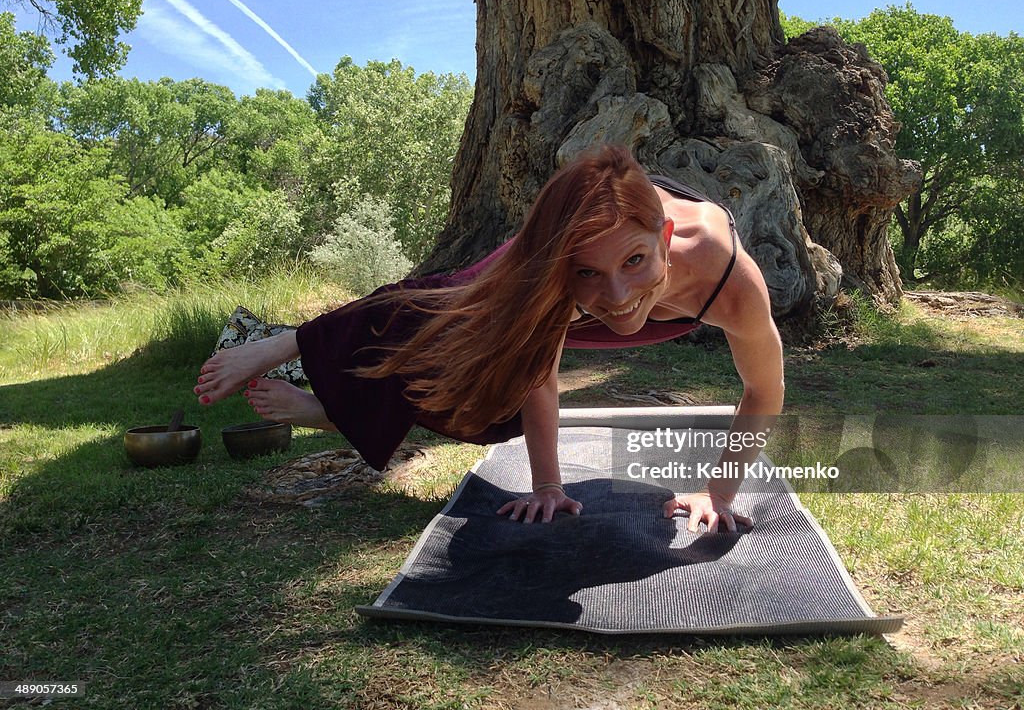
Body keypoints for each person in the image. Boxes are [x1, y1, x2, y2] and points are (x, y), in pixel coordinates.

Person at [195, 145, 784, 531]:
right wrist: (548, 486)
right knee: (447, 312)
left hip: (621, 216)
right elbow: (542, 376)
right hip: (561, 234)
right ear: (564, 269)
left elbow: (763, 391)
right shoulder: (556, 274)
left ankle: (333, 410)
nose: (618, 296)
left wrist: (718, 495)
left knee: (490, 397)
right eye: (589, 275)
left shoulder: (730, 282)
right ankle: (292, 343)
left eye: (635, 262)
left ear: (666, 237)